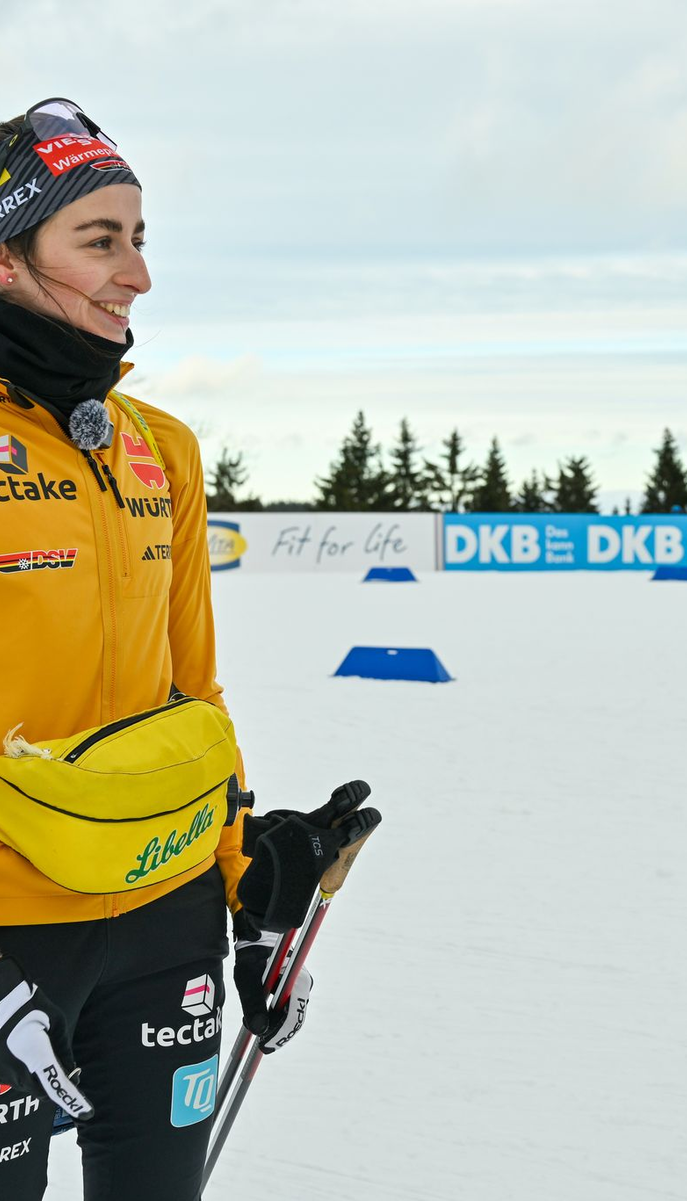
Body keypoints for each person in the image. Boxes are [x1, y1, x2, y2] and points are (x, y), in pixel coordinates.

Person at [0, 98, 319, 1201]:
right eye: (100, 239)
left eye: (140, 239)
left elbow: (195, 694)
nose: (137, 274)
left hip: (163, 919)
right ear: (7, 257)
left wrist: (249, 884)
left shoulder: (160, 450)